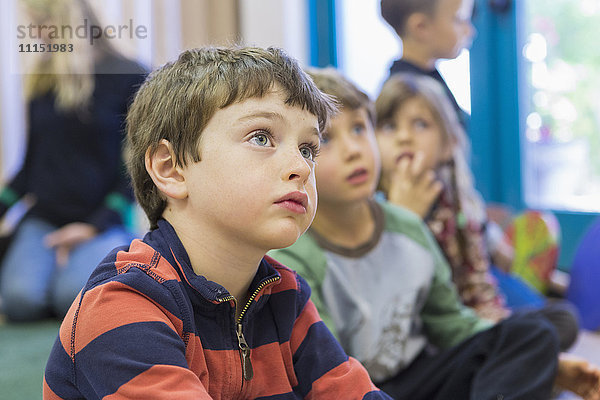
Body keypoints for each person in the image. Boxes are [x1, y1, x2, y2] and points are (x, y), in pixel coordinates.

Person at [43, 46, 392, 399]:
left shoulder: (286, 295)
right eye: (262, 137)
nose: (301, 167)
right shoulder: (121, 305)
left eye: (307, 148)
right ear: (170, 169)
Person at [269, 67, 600, 400]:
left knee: (534, 333)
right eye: (326, 139)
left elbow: (452, 323)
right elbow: (326, 370)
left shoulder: (408, 227)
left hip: (422, 375)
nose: (354, 149)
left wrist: (536, 357)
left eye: (359, 127)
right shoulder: (294, 255)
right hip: (358, 388)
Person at [374, 72, 579, 351]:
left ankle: (516, 359)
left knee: (563, 320)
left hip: (476, 320)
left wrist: (495, 325)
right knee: (530, 344)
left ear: (448, 144)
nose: (404, 137)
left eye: (420, 124)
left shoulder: (457, 200)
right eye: (389, 126)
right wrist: (404, 216)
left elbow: (479, 268)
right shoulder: (375, 206)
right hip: (425, 337)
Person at [0, 0, 146, 321]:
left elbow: (136, 172)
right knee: (19, 301)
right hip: (44, 219)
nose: (34, 32)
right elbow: (30, 167)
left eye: (39, 22)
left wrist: (92, 226)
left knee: (72, 297)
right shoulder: (42, 79)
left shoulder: (130, 76)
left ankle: (119, 250)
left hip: (100, 221)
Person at [380, 0, 474, 130]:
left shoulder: (430, 78)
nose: (469, 31)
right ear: (421, 27)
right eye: (458, 20)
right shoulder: (408, 93)